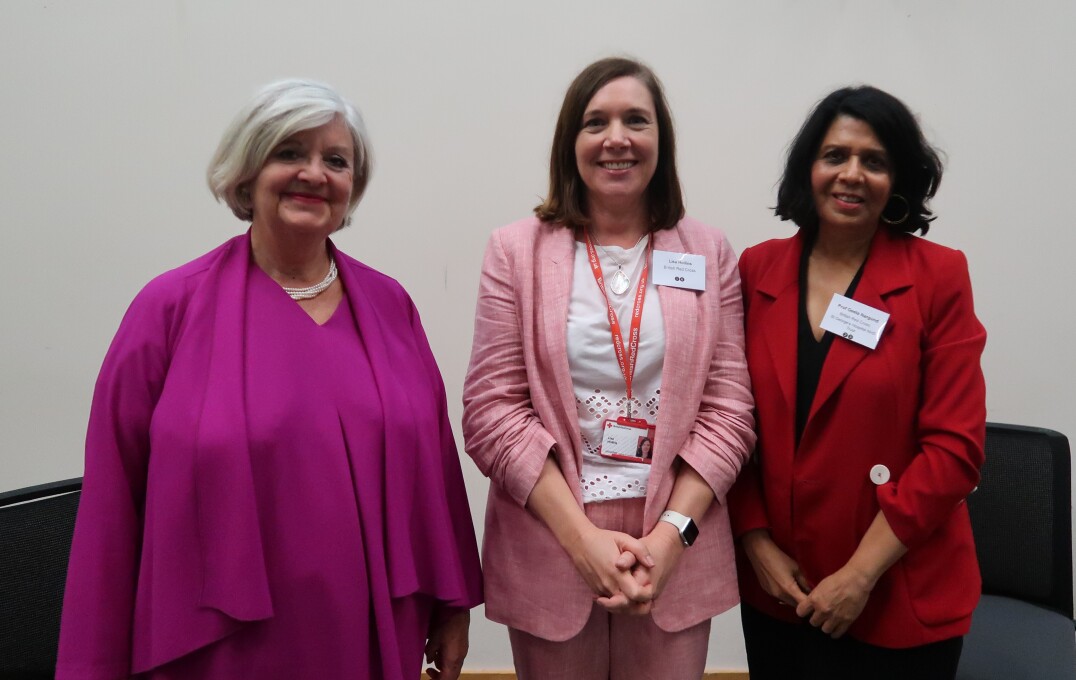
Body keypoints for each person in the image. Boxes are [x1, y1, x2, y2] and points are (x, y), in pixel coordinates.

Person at [56, 79, 482, 680]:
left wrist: (452, 603)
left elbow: (435, 466)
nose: (315, 173)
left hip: (371, 630)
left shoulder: (391, 308)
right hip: (222, 648)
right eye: (290, 153)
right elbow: (112, 501)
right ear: (247, 172)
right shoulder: (167, 310)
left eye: (336, 160)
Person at [461, 57, 756, 679]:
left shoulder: (708, 251)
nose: (616, 138)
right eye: (596, 121)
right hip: (551, 533)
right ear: (571, 142)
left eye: (636, 120)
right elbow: (491, 413)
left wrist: (671, 538)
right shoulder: (514, 251)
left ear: (660, 141)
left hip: (672, 540)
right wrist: (582, 541)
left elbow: (729, 413)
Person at [727, 85, 986, 679]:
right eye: (835, 155)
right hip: (782, 590)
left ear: (898, 179)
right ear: (808, 168)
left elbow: (955, 450)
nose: (852, 174)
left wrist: (860, 574)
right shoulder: (755, 269)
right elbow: (730, 422)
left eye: (874, 161)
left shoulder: (939, 276)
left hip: (898, 591)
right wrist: (755, 541)